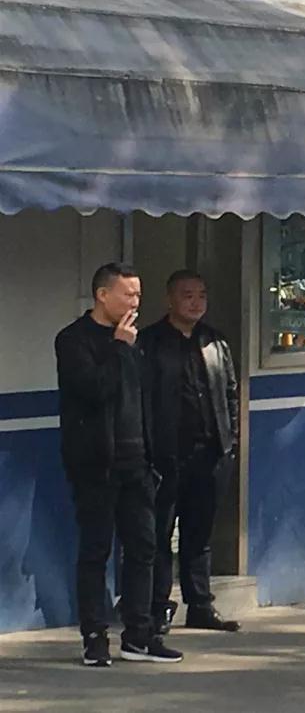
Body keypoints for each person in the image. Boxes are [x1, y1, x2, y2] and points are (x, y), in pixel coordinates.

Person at [55, 262, 183, 666]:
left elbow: (146, 398)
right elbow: (94, 390)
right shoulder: (74, 340)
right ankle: (94, 636)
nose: (135, 302)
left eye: (139, 294)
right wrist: (118, 347)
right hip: (96, 465)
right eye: (128, 294)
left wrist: (155, 454)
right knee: (96, 551)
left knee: (144, 549)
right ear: (102, 295)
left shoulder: (137, 342)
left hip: (138, 463)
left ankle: (139, 635)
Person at [140, 270, 240, 634]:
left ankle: (200, 605)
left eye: (201, 295)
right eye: (187, 295)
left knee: (199, 534)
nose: (196, 302)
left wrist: (230, 441)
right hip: (165, 456)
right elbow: (140, 399)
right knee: (160, 535)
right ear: (170, 299)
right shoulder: (149, 342)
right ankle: (157, 608)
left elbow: (230, 393)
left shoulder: (215, 342)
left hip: (209, 453)